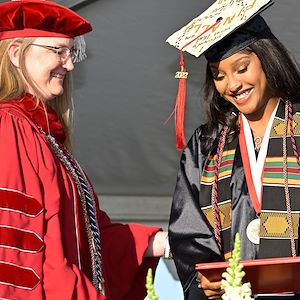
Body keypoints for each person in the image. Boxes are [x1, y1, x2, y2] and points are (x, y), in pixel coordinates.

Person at [0, 0, 168, 299]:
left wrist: (161, 242)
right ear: (15, 53)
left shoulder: (46, 138)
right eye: (58, 51)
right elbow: (16, 244)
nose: (70, 64)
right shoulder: (10, 126)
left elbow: (87, 242)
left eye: (71, 51)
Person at [166, 0, 300, 299]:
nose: (232, 84)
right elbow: (189, 230)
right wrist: (207, 276)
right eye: (219, 74)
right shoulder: (207, 144)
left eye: (241, 68)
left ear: (268, 60)